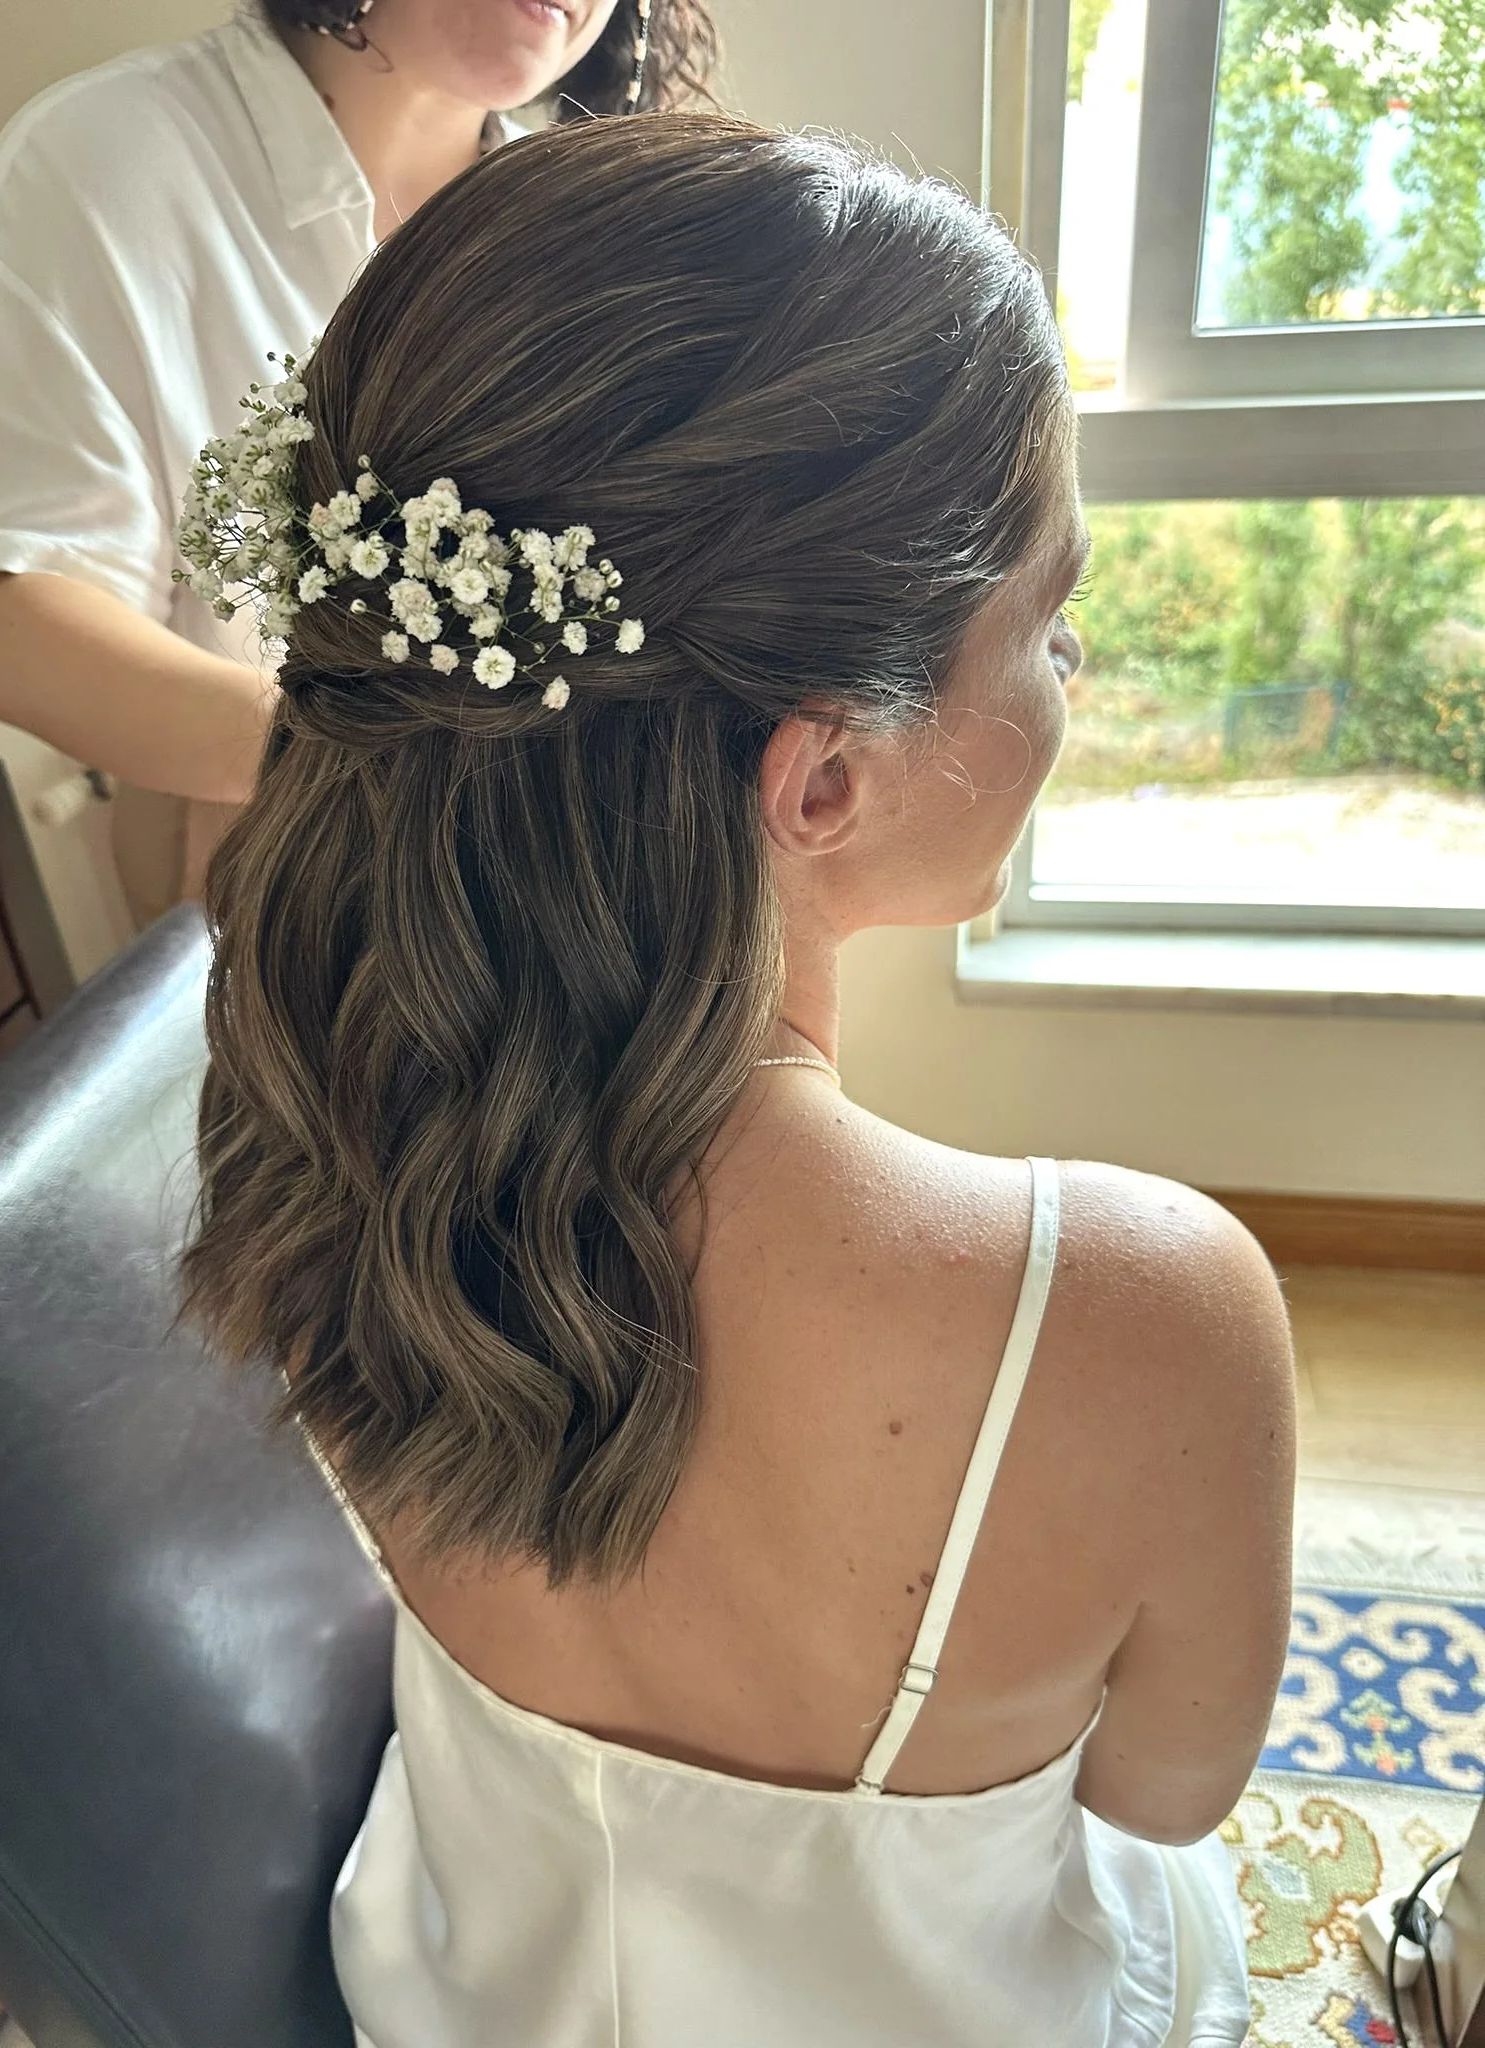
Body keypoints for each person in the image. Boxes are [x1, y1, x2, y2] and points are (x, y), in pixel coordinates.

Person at [180, 112, 1295, 2047]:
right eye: (1047, 617)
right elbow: (1165, 1799)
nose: (1075, 664)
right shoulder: (1137, 1318)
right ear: (824, 777)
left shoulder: (306, 1113)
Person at [0, 0, 716, 929]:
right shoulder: (110, 161)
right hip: (276, 916)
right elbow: (15, 616)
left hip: (584, 912)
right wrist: (384, 759)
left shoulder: (598, 236)